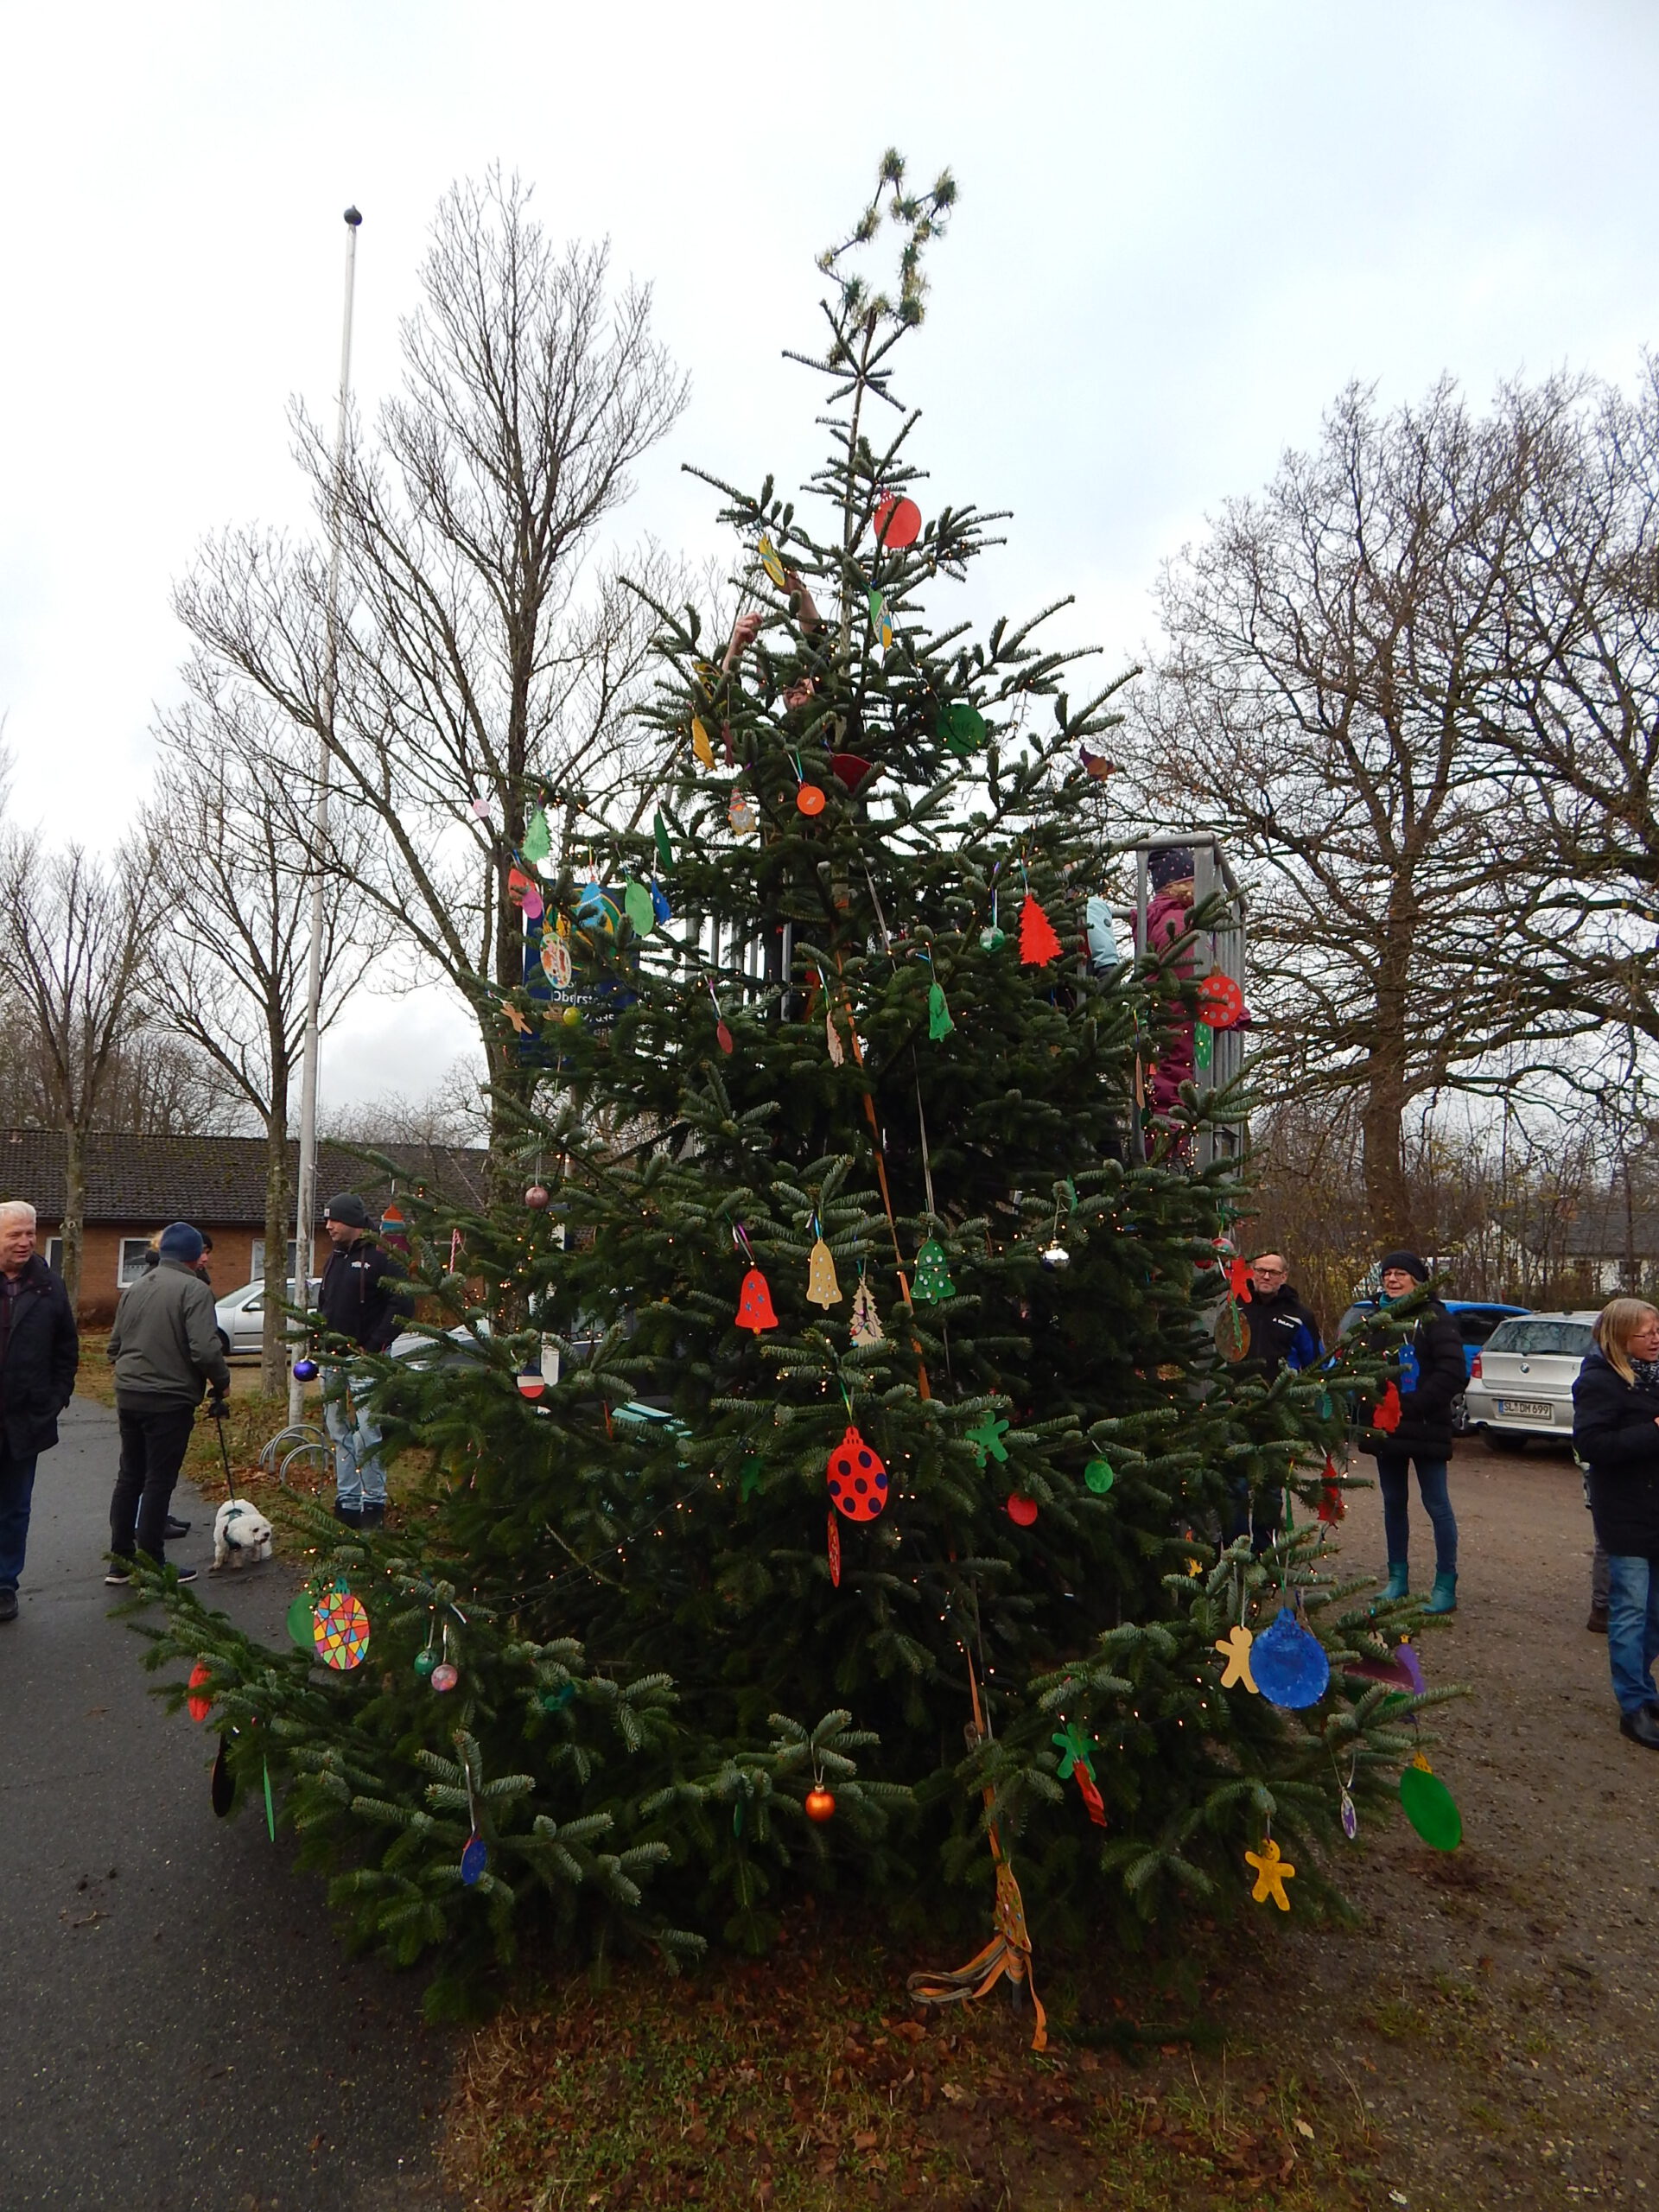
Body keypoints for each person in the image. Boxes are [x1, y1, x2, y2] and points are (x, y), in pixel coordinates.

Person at [105, 1222, 230, 1586]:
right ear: (192, 1256)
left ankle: (120, 1560)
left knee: (129, 1476)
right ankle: (153, 1560)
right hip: (169, 1398)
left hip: (129, 1393)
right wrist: (222, 1381)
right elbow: (204, 1349)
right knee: (159, 1480)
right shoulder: (195, 1290)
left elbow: (114, 1346)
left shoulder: (137, 1286)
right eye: (201, 1253)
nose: (205, 1259)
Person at [1571, 1298, 1659, 1750]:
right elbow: (1593, 1445)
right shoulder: (1599, 1381)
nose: (1656, 1339)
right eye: (1647, 1333)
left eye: (1658, 1330)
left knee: (1655, 1614)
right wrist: (1654, 1431)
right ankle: (1634, 1706)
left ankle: (1642, 1687)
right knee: (1630, 1610)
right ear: (1620, 1337)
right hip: (1625, 1511)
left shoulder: (1655, 1376)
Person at [1363, 1250, 1465, 1614]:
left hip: (1425, 1425)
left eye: (1400, 1274)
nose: (1392, 1280)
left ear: (1417, 1280)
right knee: (1393, 1502)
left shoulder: (1436, 1318)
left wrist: (1416, 1404)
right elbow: (1363, 1367)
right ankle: (1398, 1578)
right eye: (1387, 1273)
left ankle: (1445, 1584)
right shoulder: (1377, 1320)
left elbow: (1452, 1371)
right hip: (1387, 1427)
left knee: (1436, 1504)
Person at [0, 1200, 80, 1623]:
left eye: (30, 1233)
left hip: (25, 1419)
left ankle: (4, 1585)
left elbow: (66, 1349)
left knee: (14, 1507)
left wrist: (56, 1398)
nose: (25, 1242)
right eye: (15, 1234)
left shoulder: (49, 1286)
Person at [316, 1193, 411, 1526]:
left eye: (335, 1220)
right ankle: (348, 1499)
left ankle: (373, 1501)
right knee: (338, 1430)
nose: (328, 1226)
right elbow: (327, 1303)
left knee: (368, 1433)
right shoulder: (335, 1257)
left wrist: (373, 1345)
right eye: (327, 1220)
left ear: (353, 1222)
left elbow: (402, 1305)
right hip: (332, 1358)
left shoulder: (382, 1256)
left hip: (366, 1361)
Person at [1224, 1252, 1324, 1553]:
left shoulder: (1299, 1316)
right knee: (1235, 1486)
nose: (1266, 1276)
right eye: (1260, 1270)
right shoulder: (1237, 1306)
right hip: (1238, 1409)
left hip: (1278, 1413)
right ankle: (1236, 1551)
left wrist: (1303, 1401)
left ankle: (1264, 1553)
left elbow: (1314, 1363)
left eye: (1273, 1272)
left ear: (1284, 1276)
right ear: (1252, 1272)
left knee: (1269, 1488)